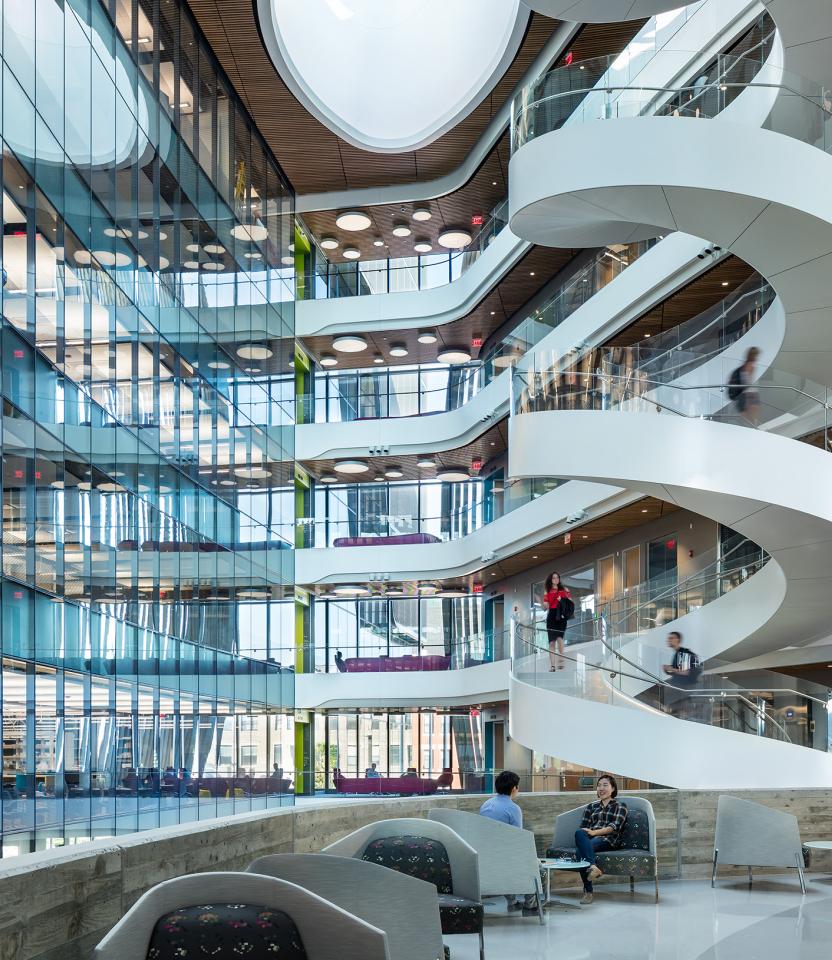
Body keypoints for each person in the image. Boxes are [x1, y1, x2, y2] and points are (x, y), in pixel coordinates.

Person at [480, 770, 539, 916]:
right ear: (514, 788)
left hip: (485, 856)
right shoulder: (513, 808)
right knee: (536, 866)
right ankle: (530, 905)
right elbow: (517, 838)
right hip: (505, 857)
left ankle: (512, 902)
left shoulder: (486, 805)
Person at [574, 774, 628, 904]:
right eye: (599, 785)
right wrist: (588, 833)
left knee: (579, 852)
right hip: (591, 839)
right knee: (579, 832)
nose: (601, 788)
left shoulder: (620, 806)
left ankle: (588, 891)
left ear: (613, 789)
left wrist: (594, 832)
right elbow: (583, 828)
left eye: (605, 785)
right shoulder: (591, 807)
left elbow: (613, 828)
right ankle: (593, 866)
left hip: (609, 839)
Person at [663, 631, 702, 718]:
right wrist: (668, 669)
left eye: (671, 638)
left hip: (685, 688)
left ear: (677, 640)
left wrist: (671, 669)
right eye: (668, 638)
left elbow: (686, 672)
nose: (668, 640)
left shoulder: (682, 653)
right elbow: (679, 671)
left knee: (685, 712)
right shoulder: (678, 653)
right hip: (682, 689)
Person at [542, 572, 572, 671]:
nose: (556, 579)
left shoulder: (565, 590)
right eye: (554, 578)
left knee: (559, 638)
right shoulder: (547, 591)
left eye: (557, 578)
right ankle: (552, 666)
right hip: (551, 616)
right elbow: (546, 607)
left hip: (561, 616)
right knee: (551, 642)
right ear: (551, 580)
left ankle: (561, 660)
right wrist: (545, 602)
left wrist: (562, 599)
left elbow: (570, 603)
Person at [728, 347, 761, 425]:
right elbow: (748, 383)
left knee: (748, 419)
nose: (757, 357)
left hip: (748, 395)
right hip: (748, 395)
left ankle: (750, 431)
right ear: (753, 355)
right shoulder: (749, 366)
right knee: (749, 420)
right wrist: (751, 398)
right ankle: (751, 431)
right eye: (756, 355)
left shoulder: (747, 365)